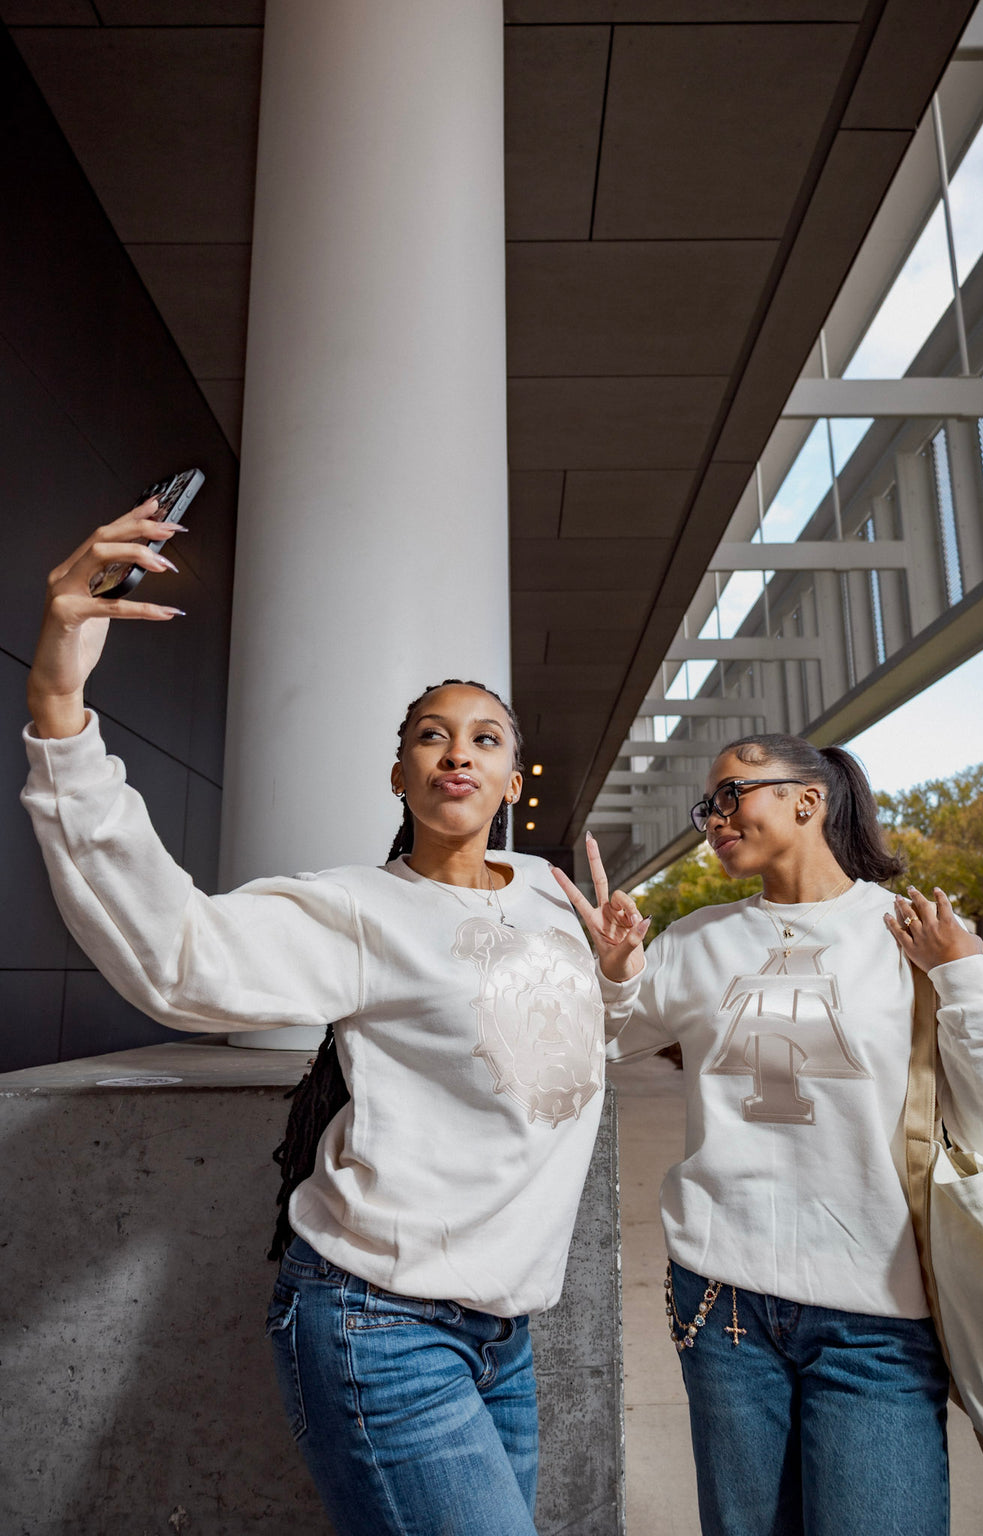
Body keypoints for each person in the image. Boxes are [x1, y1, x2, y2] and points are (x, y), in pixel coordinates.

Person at [20, 503, 649, 1536]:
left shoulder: (545, 891)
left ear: (512, 779)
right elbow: (177, 958)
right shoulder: (359, 910)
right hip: (382, 1325)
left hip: (508, 1332)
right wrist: (59, 707)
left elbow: (566, 1062)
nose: (458, 753)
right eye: (430, 737)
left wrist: (613, 977)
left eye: (484, 739)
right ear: (397, 772)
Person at [555, 736, 983, 1536]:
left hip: (878, 1320)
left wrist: (963, 979)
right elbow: (601, 1044)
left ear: (808, 800)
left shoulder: (910, 933)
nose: (714, 818)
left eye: (732, 794)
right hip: (721, 1305)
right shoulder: (698, 939)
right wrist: (617, 969)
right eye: (708, 806)